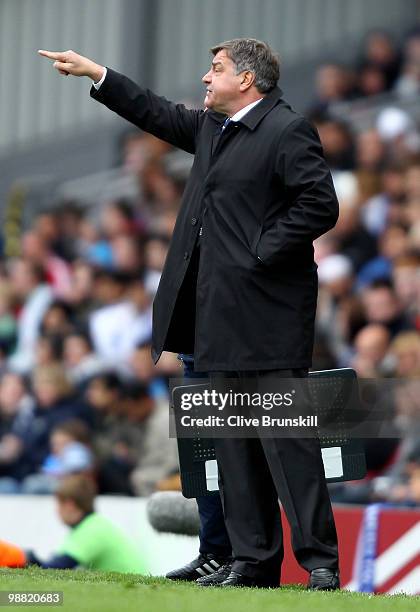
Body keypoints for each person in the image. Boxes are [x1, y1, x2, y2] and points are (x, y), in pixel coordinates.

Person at [39, 38, 340, 591]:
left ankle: (320, 563)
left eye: (216, 69)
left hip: (269, 320)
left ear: (247, 80)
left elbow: (320, 204)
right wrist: (96, 73)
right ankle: (253, 564)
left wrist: (259, 251)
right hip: (215, 318)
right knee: (232, 448)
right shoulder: (210, 127)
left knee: (287, 446)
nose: (205, 78)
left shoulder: (286, 129)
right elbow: (152, 109)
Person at [0, 474, 148, 573]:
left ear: (70, 505)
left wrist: (22, 559)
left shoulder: (91, 529)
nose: (56, 511)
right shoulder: (94, 525)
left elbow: (56, 569)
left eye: (58, 505)